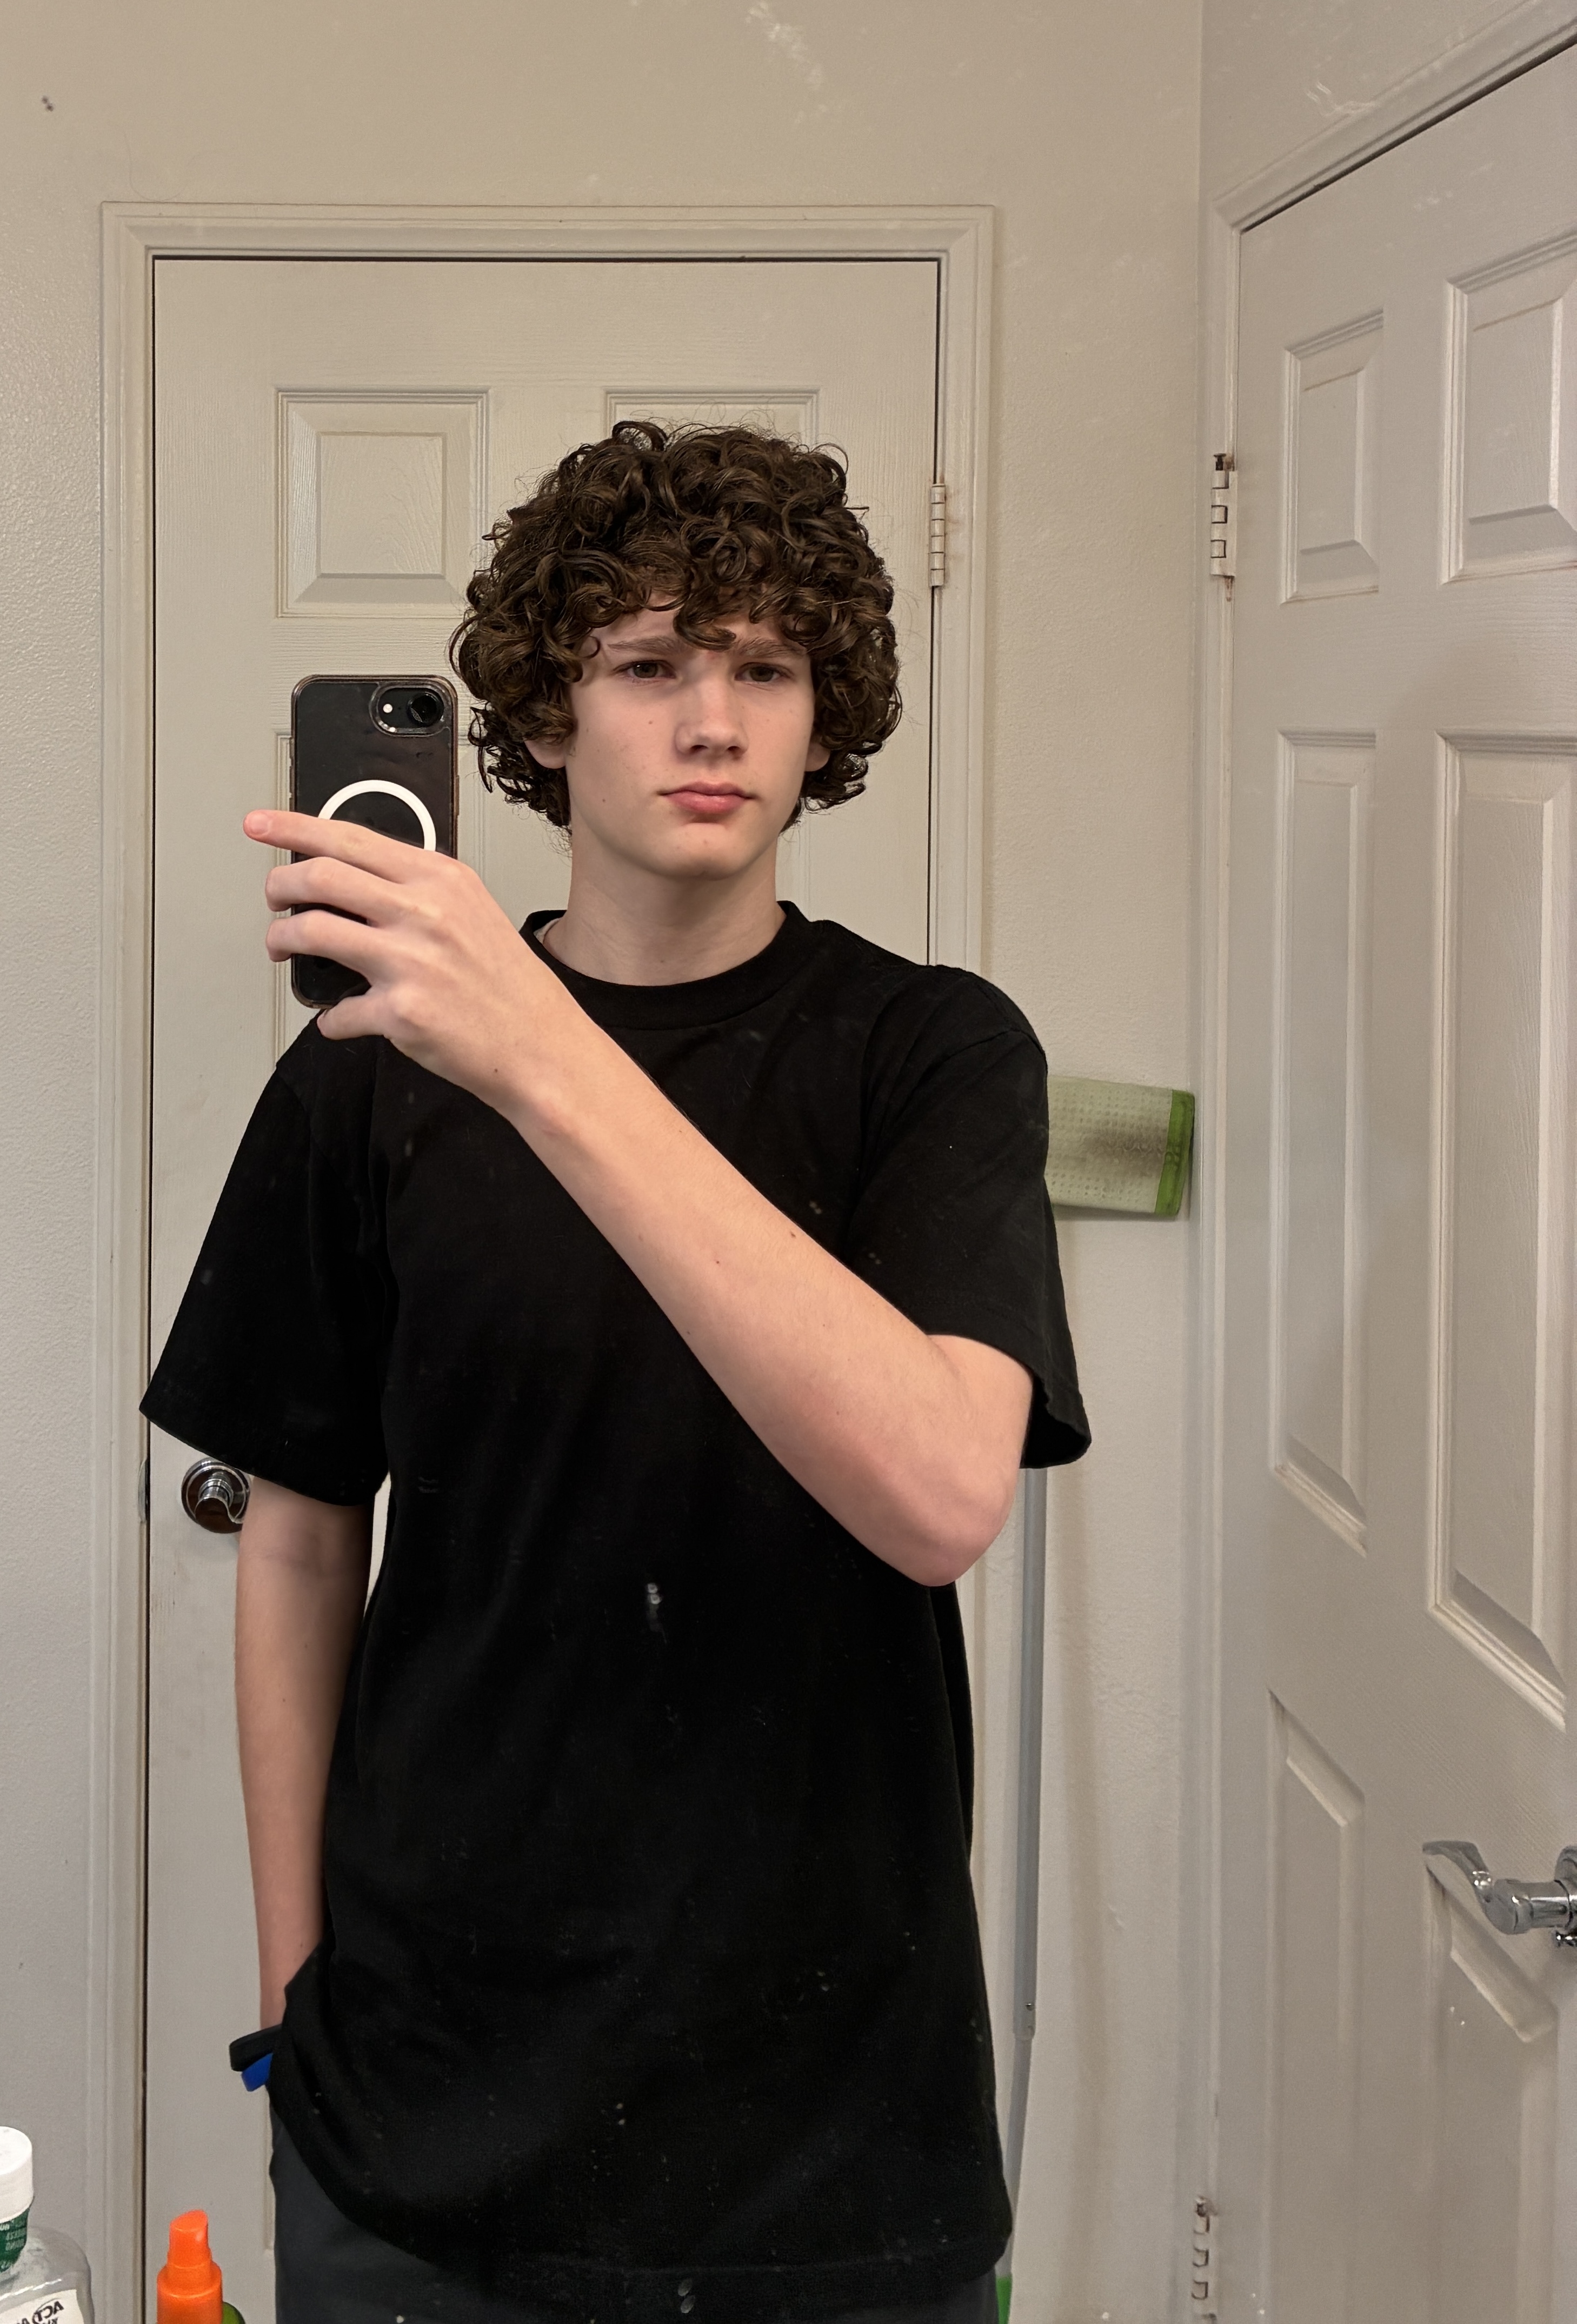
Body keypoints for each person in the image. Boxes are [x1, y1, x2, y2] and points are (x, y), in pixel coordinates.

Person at [143, 422, 1089, 2324]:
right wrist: (293, 2003)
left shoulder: (931, 1055)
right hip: (419, 2102)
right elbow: (302, 1542)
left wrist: (543, 1055)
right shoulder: (367, 1078)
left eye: (767, 665)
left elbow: (938, 1494)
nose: (712, 720)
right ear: (545, 713)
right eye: (650, 663)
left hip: (834, 2124)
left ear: (827, 715)